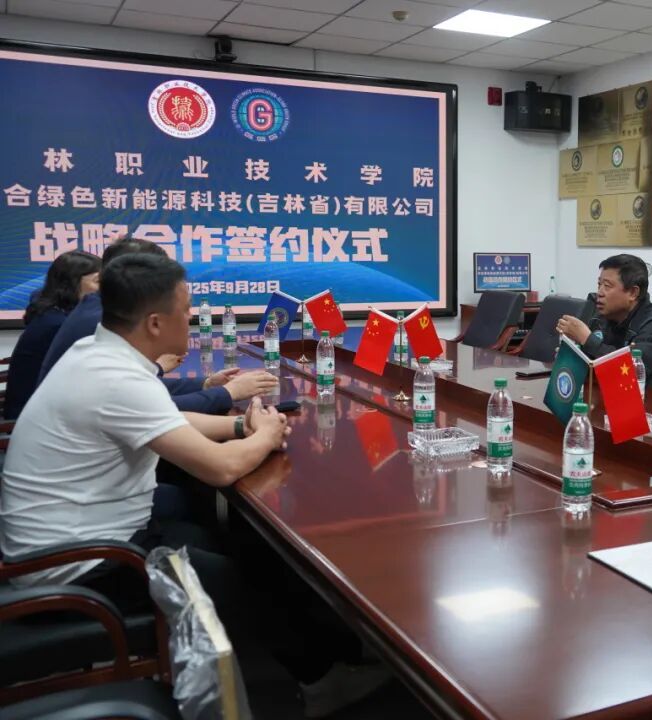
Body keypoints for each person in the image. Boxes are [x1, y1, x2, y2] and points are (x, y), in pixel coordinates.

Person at [0, 253, 387, 716]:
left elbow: (168, 419)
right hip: (77, 570)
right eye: (186, 310)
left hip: (88, 538)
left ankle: (338, 647)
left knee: (242, 544)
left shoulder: (100, 354)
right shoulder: (115, 378)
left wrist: (241, 427)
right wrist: (263, 436)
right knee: (237, 578)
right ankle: (321, 681)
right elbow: (220, 469)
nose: (192, 316)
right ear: (156, 322)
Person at [37, 238, 276, 413]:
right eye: (184, 309)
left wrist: (206, 385)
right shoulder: (102, 324)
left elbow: (144, 393)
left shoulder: (101, 312)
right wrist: (228, 394)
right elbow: (155, 408)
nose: (190, 316)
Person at [555, 254, 652, 391]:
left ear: (633, 293)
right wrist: (571, 355)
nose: (599, 292)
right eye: (599, 284)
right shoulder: (600, 317)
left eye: (607, 286)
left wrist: (587, 340)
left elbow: (631, 373)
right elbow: (591, 362)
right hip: (610, 391)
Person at [4, 250, 101, 420]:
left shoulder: (53, 310)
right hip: (35, 417)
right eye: (98, 281)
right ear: (72, 283)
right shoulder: (58, 323)